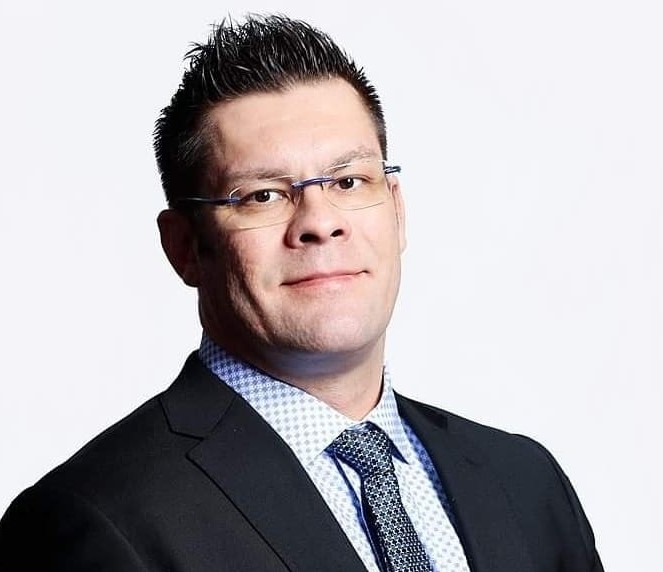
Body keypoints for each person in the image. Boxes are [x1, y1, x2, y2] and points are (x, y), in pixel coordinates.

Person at [0, 14, 603, 572]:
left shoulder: (527, 483)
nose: (320, 222)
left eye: (349, 181)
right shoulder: (93, 520)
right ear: (185, 246)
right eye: (262, 195)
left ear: (396, 210)